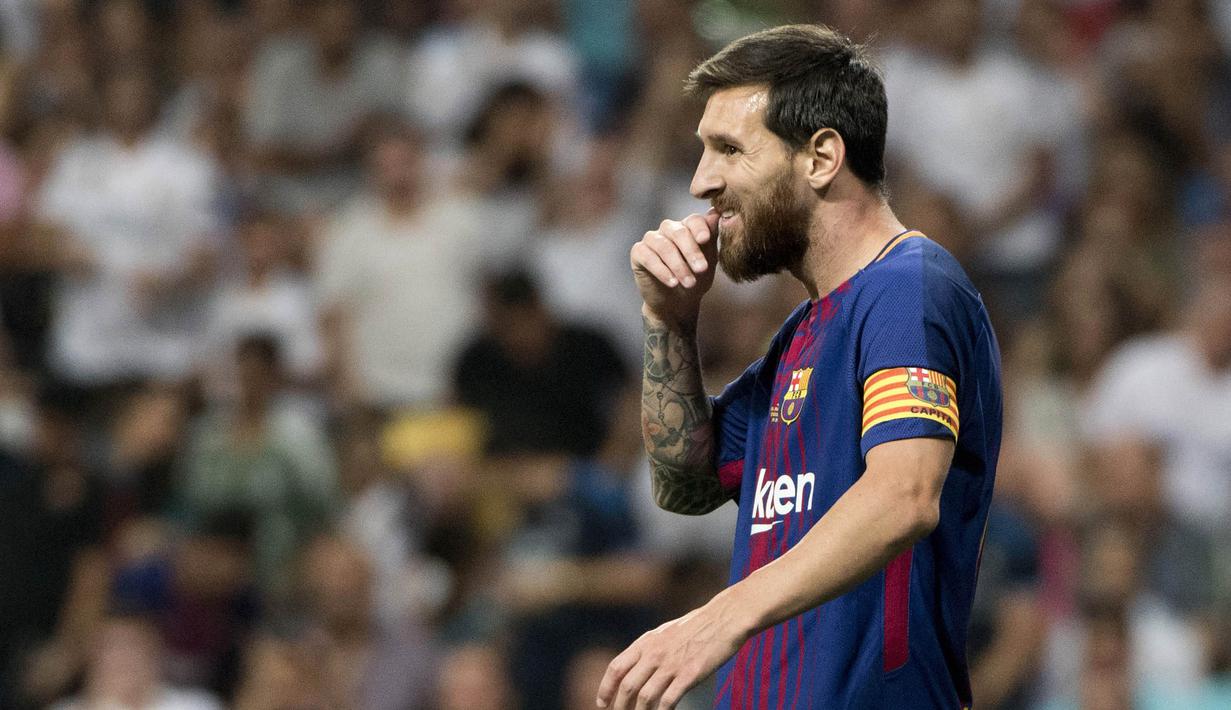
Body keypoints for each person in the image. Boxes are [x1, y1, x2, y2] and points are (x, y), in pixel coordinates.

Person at [596, 25, 1003, 710]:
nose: (701, 182)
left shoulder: (907, 286)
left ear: (820, 157)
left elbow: (903, 495)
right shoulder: (799, 337)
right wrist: (667, 321)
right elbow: (685, 484)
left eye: (727, 149)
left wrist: (715, 620)